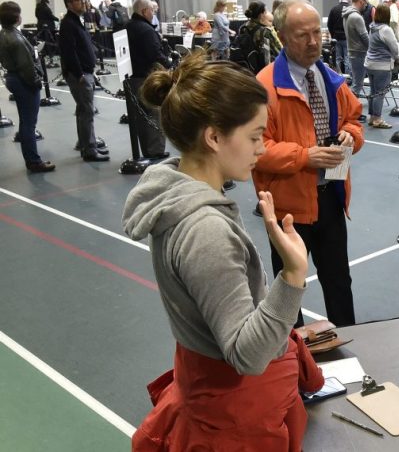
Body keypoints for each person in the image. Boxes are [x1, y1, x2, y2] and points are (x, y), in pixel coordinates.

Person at [123, 51, 324, 451]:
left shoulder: (175, 193)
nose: (262, 149)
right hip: (231, 422)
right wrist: (293, 275)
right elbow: (247, 355)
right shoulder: (205, 231)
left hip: (210, 393)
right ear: (214, 137)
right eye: (253, 136)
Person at [252, 0, 364, 328]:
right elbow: (257, 149)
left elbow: (355, 120)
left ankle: (353, 349)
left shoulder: (330, 79)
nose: (314, 41)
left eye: (318, 32)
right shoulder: (265, 86)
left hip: (331, 197)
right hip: (288, 210)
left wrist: (349, 136)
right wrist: (306, 156)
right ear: (282, 36)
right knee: (290, 290)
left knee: (340, 283)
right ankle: (293, 360)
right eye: (303, 35)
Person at [0, 1, 55, 172]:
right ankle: (33, 161)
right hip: (23, 80)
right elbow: (27, 66)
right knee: (28, 123)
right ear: (17, 17)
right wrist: (37, 82)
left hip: (13, 77)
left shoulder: (4, 34)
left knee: (26, 121)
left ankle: (31, 159)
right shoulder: (16, 39)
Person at [58, 0, 109, 162]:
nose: (82, 2)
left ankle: (85, 143)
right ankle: (90, 149)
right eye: (78, 0)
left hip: (85, 72)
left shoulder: (78, 20)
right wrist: (79, 74)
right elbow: (68, 52)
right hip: (79, 75)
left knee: (83, 110)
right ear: (69, 4)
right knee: (87, 111)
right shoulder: (68, 24)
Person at [125, 0, 170, 159]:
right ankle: (156, 150)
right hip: (146, 77)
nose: (154, 13)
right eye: (152, 10)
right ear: (144, 11)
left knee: (141, 114)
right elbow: (155, 54)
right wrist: (169, 64)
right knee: (154, 112)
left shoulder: (128, 27)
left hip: (132, 77)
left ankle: (147, 149)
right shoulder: (146, 30)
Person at [364, 4, 399, 129]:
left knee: (373, 92)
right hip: (381, 65)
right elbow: (394, 47)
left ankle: (372, 117)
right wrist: (397, 58)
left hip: (370, 64)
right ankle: (377, 119)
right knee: (380, 93)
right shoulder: (386, 29)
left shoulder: (372, 27)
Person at [343, 0, 369, 98]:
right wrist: (372, 49)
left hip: (353, 51)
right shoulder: (357, 17)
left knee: (356, 83)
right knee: (357, 84)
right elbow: (365, 36)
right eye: (365, 2)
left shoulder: (347, 14)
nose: (366, 5)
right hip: (359, 53)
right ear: (361, 1)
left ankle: (352, 108)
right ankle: (352, 110)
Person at [327, 0, 351, 75]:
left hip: (336, 38)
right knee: (347, 59)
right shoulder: (351, 10)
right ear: (349, 0)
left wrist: (333, 35)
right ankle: (348, 79)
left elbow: (329, 24)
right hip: (347, 38)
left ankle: (338, 76)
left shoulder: (334, 9)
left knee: (337, 59)